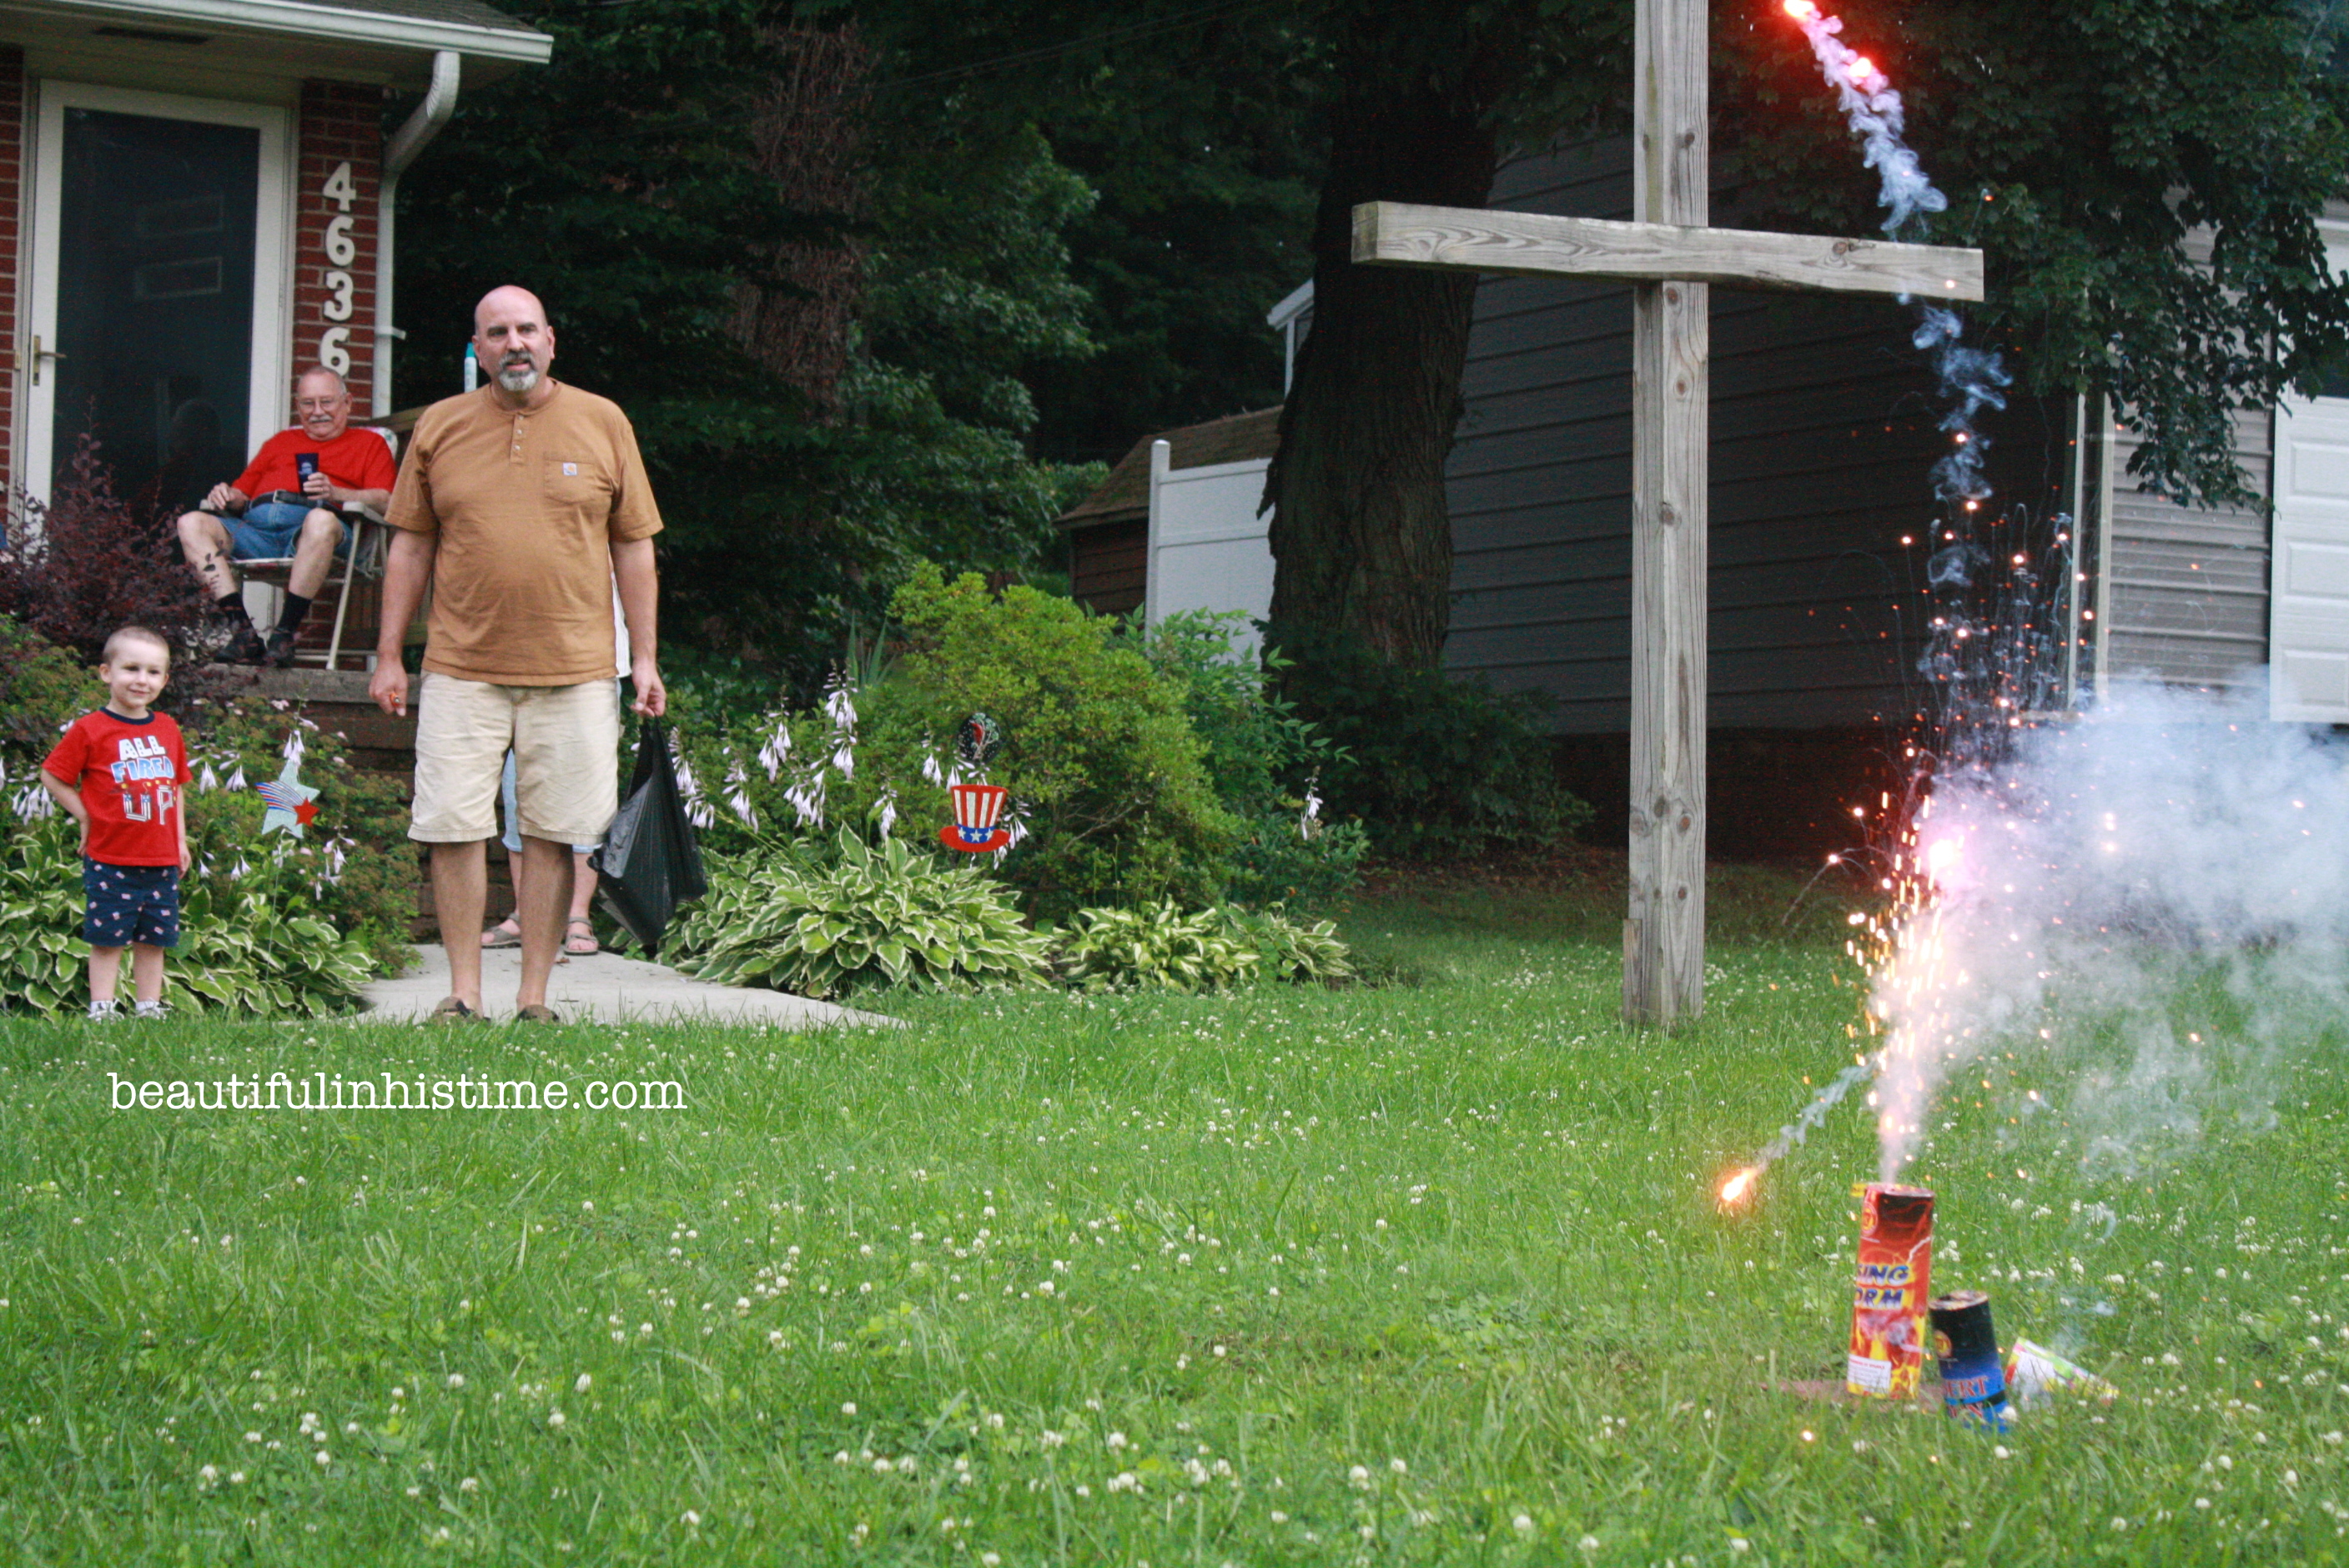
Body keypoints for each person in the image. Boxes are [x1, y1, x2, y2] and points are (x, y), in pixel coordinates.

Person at [369, 284, 666, 1023]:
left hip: (576, 670)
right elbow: (410, 543)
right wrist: (388, 655)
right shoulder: (441, 426)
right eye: (497, 333)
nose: (515, 344)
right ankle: (463, 994)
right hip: (460, 666)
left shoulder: (603, 422)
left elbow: (634, 546)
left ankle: (534, 997)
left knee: (555, 830)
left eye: (527, 329)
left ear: (552, 339)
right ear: (480, 349)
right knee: (452, 826)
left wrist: (648, 660)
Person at [175, 366, 397, 666]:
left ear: (348, 402)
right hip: (257, 531)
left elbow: (387, 502)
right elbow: (242, 496)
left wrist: (337, 493)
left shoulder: (370, 444)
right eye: (308, 403)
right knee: (190, 522)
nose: (317, 411)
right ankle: (243, 634)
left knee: (320, 522)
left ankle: (284, 635)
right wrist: (228, 495)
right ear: (298, 407)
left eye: (327, 402)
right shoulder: (279, 443)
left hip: (318, 532)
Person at [40, 626, 193, 1020]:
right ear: (106, 673)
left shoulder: (167, 730)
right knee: (107, 939)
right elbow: (53, 776)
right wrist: (86, 815)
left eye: (153, 672)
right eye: (131, 668)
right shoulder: (90, 729)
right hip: (111, 857)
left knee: (154, 939)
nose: (142, 680)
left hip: (160, 860)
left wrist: (180, 842)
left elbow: (175, 788)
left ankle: (148, 1007)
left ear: (165, 679)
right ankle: (103, 1009)